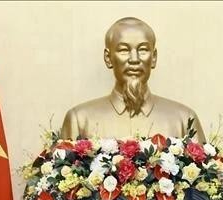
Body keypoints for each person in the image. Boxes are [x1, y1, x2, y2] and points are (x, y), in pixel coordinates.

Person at [61, 17, 206, 141]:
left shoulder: (184, 119)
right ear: (108, 58)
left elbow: (208, 173)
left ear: (154, 57)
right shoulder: (79, 120)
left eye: (143, 49)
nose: (134, 59)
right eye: (123, 50)